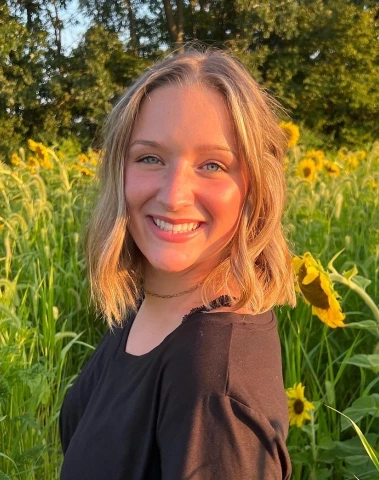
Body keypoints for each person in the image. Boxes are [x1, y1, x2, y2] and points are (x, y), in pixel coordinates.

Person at [59, 45, 297, 479]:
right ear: (120, 170)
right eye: (150, 157)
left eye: (212, 164)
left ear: (255, 187)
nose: (173, 195)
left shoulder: (213, 383)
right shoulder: (150, 308)